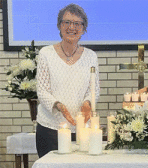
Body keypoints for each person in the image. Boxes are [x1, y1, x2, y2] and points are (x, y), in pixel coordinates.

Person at [36, 3, 100, 158]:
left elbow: (94, 89)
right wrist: (60, 107)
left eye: (77, 23)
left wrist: (87, 103)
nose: (72, 27)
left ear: (83, 29)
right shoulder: (46, 53)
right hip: (50, 129)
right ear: (59, 26)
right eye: (67, 22)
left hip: (82, 130)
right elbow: (42, 90)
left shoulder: (91, 56)